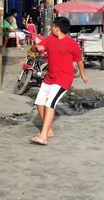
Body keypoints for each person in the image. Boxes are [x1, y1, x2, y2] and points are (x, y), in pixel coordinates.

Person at [29, 17, 89, 146]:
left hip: (64, 78)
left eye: (53, 26)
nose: (51, 28)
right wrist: (36, 47)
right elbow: (33, 49)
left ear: (57, 28)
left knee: (49, 103)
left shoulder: (71, 43)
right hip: (50, 77)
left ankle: (43, 136)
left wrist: (83, 75)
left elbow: (79, 60)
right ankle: (48, 130)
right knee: (39, 102)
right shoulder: (49, 40)